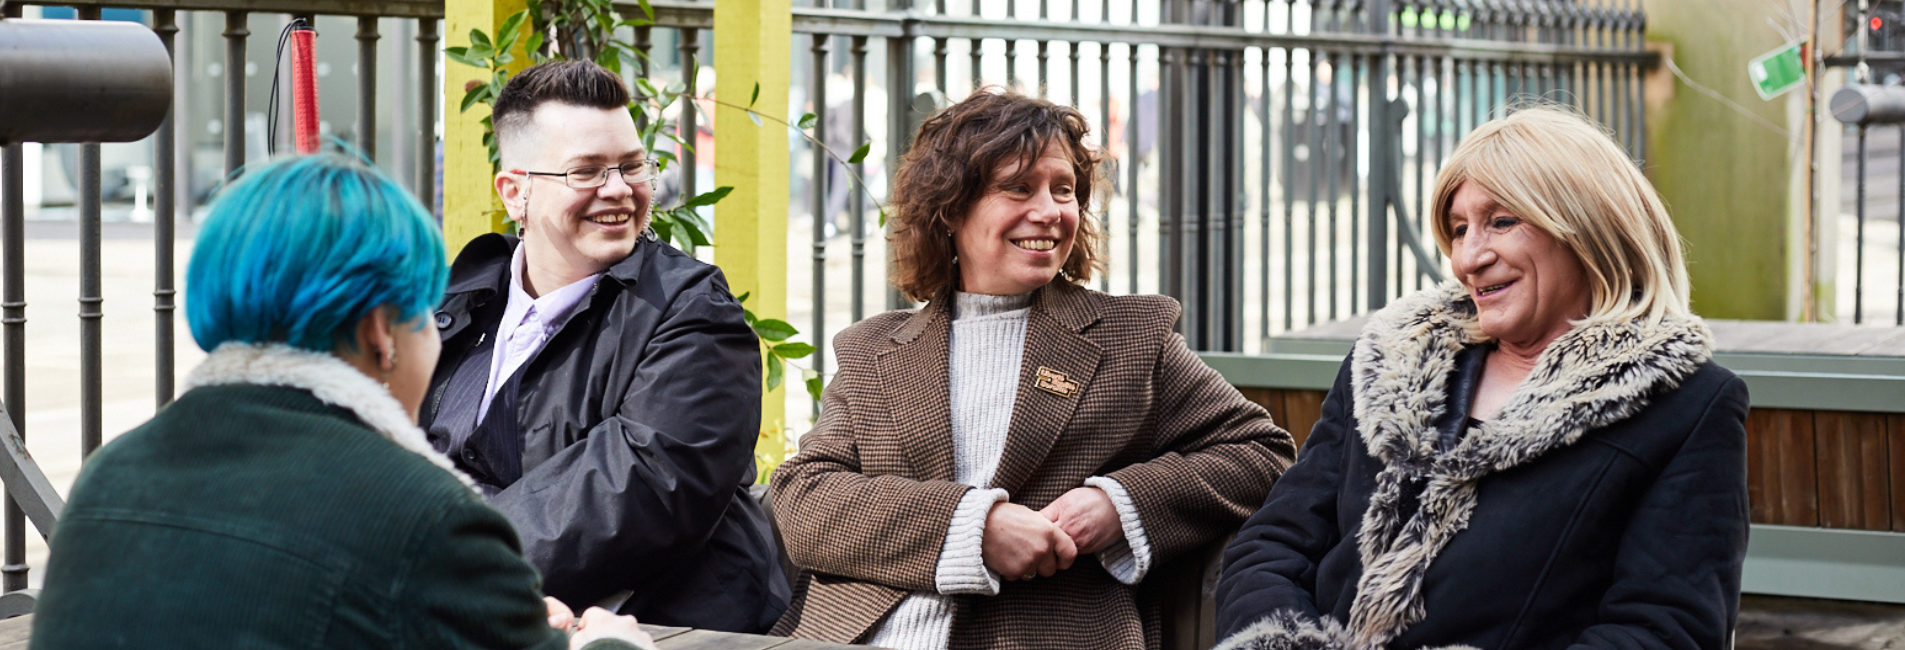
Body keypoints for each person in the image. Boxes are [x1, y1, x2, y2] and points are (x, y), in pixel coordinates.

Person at [30, 155, 654, 650]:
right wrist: (606, 643)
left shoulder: (110, 476)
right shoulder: (424, 516)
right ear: (382, 332)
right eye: (424, 312)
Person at [769, 89, 1296, 649]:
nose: (1050, 211)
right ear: (951, 208)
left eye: (1064, 190)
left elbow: (1262, 451)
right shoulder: (873, 349)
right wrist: (973, 528)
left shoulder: (1133, 337)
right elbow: (804, 496)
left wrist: (1119, 504)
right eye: (1018, 187)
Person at [1213, 106, 1750, 650]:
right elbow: (1271, 546)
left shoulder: (1687, 405)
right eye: (1457, 229)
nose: (1469, 257)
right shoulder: (1390, 359)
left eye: (1502, 221)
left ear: (1589, 227)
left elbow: (1666, 631)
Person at [419, 60, 788, 633]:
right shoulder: (456, 302)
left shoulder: (693, 312)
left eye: (633, 166)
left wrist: (446, 569)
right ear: (515, 192)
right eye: (586, 172)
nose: (619, 189)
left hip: (654, 624)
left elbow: (644, 486)